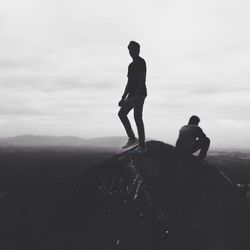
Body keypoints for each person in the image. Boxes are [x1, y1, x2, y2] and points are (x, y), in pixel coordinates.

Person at [118, 41, 147, 149]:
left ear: (138, 50)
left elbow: (142, 79)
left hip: (139, 94)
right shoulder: (131, 66)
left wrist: (137, 95)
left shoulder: (141, 62)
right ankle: (132, 138)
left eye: (133, 49)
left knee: (137, 117)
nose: (131, 51)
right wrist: (123, 97)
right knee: (121, 114)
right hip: (131, 95)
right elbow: (129, 83)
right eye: (130, 49)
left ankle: (142, 145)